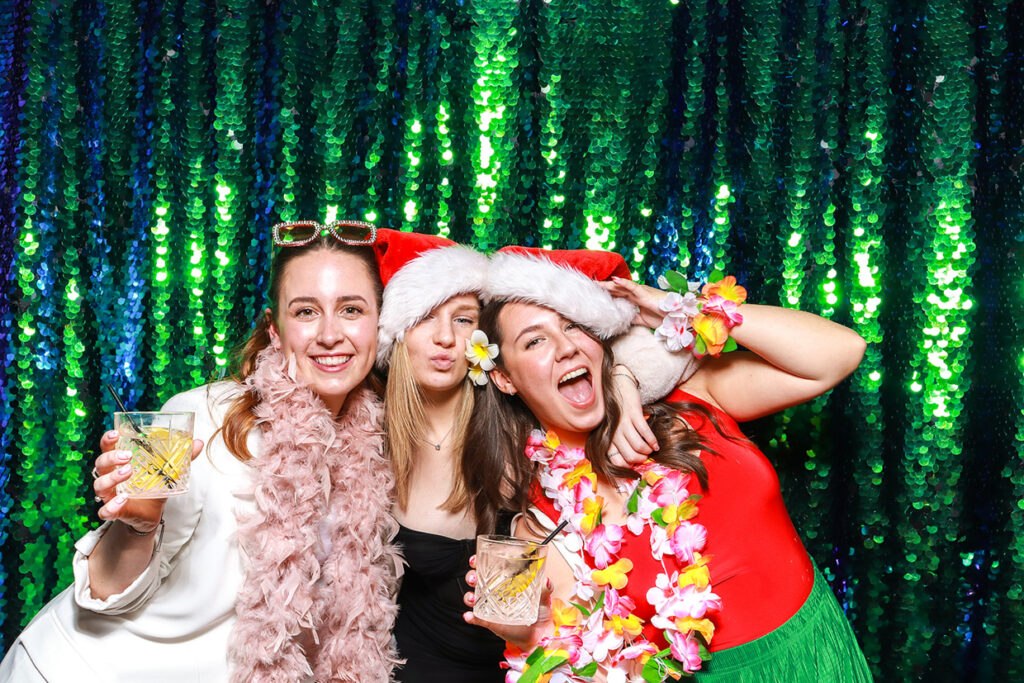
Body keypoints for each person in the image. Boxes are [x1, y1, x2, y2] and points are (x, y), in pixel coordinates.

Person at [0, 221, 403, 682]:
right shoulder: (196, 416)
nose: (330, 334)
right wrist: (135, 526)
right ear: (275, 330)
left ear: (379, 322)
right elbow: (106, 590)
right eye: (306, 312)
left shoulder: (378, 443)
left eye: (351, 309)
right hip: (83, 669)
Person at [461, 247, 872, 682]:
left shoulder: (690, 401)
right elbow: (603, 673)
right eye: (535, 340)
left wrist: (681, 309)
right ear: (504, 377)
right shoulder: (544, 525)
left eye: (575, 326)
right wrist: (532, 636)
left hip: (817, 650)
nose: (565, 347)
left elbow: (840, 352)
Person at [369, 233, 511, 681]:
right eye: (426, 317)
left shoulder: (521, 424)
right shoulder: (370, 438)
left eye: (463, 319)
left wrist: (622, 380)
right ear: (398, 334)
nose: (446, 337)